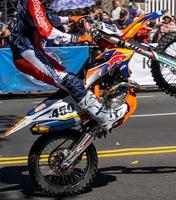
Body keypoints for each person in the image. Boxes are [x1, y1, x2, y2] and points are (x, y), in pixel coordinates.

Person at [10, 0, 127, 132]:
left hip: (29, 52)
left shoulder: (29, 2)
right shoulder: (33, 2)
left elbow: (47, 19)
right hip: (27, 53)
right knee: (70, 81)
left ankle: (83, 110)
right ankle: (103, 117)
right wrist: (77, 39)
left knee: (72, 81)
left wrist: (71, 18)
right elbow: (48, 32)